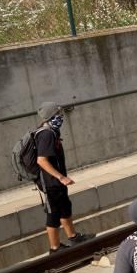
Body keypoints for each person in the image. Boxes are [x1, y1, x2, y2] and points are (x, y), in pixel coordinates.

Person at [34, 102, 94, 253]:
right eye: (58, 114)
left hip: (57, 181)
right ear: (50, 116)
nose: (61, 116)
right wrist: (61, 177)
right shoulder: (46, 134)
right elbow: (41, 160)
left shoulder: (52, 132)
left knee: (65, 207)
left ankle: (73, 237)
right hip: (50, 182)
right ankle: (55, 248)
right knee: (53, 214)